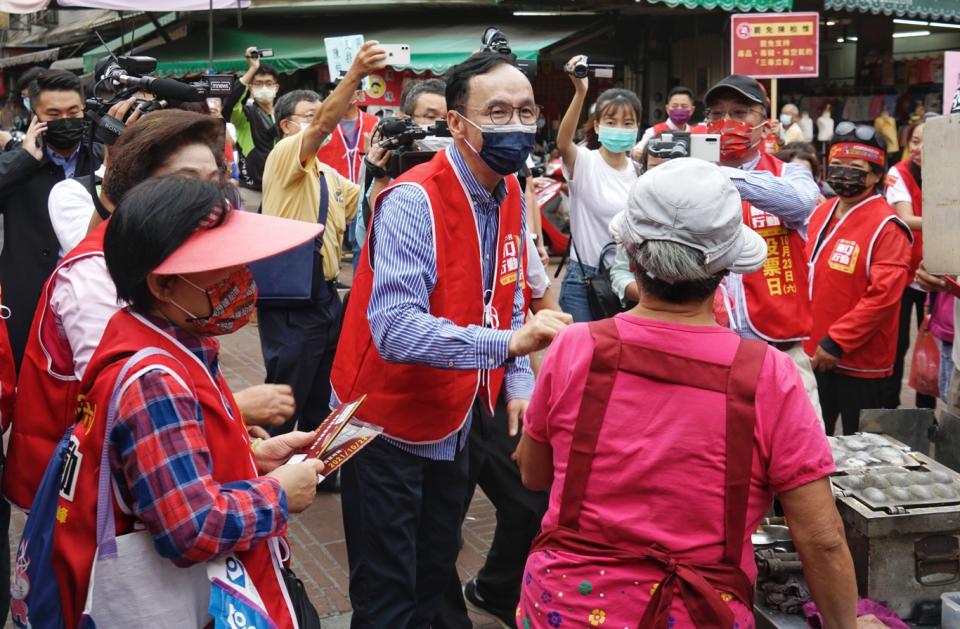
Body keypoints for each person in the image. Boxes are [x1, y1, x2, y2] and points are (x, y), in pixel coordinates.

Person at [515, 158, 858, 629]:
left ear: (633, 257)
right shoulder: (769, 375)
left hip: (562, 604)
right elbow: (821, 538)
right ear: (726, 269)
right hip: (698, 610)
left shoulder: (575, 347)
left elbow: (534, 474)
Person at [330, 50, 572, 628]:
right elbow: (394, 329)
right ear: (458, 123)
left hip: (455, 413)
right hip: (378, 420)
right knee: (387, 589)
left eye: (525, 111)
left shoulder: (511, 190)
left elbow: (509, 292)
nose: (515, 125)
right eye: (497, 111)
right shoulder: (415, 200)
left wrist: (514, 382)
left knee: (435, 568)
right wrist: (510, 347)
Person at [31, 177, 325, 628]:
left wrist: (251, 459)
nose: (243, 280)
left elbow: (166, 472)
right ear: (163, 285)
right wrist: (280, 494)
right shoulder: (155, 381)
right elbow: (192, 527)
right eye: (223, 269)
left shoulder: (159, 338)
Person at [4, 109, 296, 513]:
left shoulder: (173, 255)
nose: (208, 199)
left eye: (214, 182)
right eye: (185, 182)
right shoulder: (94, 274)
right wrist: (234, 407)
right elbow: (125, 413)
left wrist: (240, 441)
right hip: (88, 505)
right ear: (137, 189)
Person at [259, 42, 384, 444]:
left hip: (325, 297)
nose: (319, 123)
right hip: (292, 300)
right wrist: (353, 76)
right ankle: (260, 464)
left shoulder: (326, 175)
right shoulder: (283, 158)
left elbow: (365, 200)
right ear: (286, 126)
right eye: (309, 117)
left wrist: (381, 166)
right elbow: (322, 127)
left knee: (321, 392)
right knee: (285, 394)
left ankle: (313, 466)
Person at [704, 74, 823, 423]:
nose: (728, 123)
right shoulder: (687, 173)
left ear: (766, 125)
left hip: (781, 349)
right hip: (710, 350)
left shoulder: (790, 174)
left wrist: (722, 176)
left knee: (802, 453)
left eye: (741, 112)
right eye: (717, 114)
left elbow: (802, 204)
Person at [805, 124, 912, 436]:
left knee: (860, 448)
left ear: (877, 175)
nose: (843, 174)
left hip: (859, 362)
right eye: (837, 166)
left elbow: (883, 298)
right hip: (814, 354)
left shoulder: (887, 226)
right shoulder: (821, 212)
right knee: (812, 439)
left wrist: (837, 341)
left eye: (856, 168)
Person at [0, 69, 103, 369]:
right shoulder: (19, 165)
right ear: (36, 117)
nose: (65, 120)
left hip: (90, 298)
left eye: (73, 112)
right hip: (28, 300)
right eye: (53, 114)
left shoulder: (102, 159)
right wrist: (23, 159)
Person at [557, 54, 641, 322]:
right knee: (582, 358)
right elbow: (563, 143)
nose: (620, 129)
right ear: (597, 125)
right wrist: (580, 92)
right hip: (584, 279)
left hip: (626, 280)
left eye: (628, 123)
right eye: (611, 122)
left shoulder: (638, 172)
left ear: (638, 128)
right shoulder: (584, 161)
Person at [882, 118, 936, 410]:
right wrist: (947, 220)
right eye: (914, 141)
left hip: (938, 273)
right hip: (904, 271)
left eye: (925, 141)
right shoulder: (898, 172)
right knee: (898, 343)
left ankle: (927, 413)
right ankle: (890, 411)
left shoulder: (949, 171)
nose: (918, 148)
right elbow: (904, 217)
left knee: (934, 344)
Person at [223, 48, 281, 190]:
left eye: (268, 83)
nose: (264, 87)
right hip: (252, 189)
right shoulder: (244, 115)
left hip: (281, 188)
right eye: (258, 83)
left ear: (276, 87)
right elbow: (229, 104)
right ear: (251, 89)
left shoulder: (284, 114)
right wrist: (252, 69)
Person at [317, 78, 379, 184]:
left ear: (358, 94)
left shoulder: (375, 122)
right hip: (330, 192)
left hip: (364, 191)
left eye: (343, 90)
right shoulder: (321, 124)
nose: (336, 95)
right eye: (334, 91)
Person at [633, 86, 701, 155]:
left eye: (684, 106)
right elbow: (638, 153)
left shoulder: (698, 134)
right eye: (675, 106)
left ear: (692, 110)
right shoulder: (653, 132)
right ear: (667, 109)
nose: (679, 109)